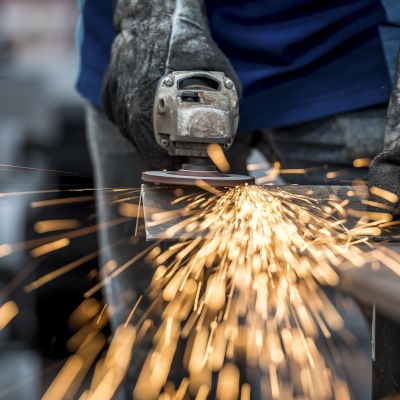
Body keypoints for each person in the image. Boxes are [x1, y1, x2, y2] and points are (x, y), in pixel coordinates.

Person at [77, 1, 400, 398]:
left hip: (342, 56)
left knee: (387, 324)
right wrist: (153, 19)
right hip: (146, 67)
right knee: (163, 347)